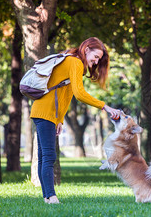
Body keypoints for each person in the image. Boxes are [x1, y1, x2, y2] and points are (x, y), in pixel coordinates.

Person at [30, 37, 121, 204]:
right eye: (95, 57)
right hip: (45, 112)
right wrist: (105, 107)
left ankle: (47, 197)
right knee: (49, 157)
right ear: (86, 49)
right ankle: (51, 196)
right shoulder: (76, 62)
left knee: (44, 157)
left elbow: (66, 94)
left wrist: (60, 120)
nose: (95, 62)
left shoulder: (70, 60)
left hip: (43, 111)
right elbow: (80, 94)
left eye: (98, 60)